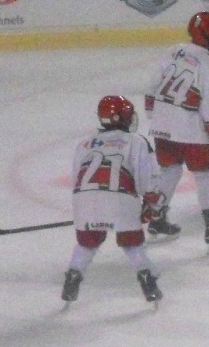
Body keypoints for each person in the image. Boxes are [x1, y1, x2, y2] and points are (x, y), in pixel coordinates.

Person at [144, 11, 209, 251]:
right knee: (206, 175)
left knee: (169, 171)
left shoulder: (173, 51)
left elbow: (150, 89)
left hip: (161, 127)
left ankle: (157, 219)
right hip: (190, 132)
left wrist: (158, 119)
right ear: (207, 34)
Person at [62, 96, 165, 304]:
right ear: (125, 117)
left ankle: (73, 275)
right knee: (132, 244)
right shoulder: (135, 142)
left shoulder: (85, 143)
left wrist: (87, 209)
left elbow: (76, 178)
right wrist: (151, 203)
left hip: (84, 199)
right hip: (120, 200)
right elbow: (147, 177)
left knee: (87, 244)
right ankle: (147, 280)